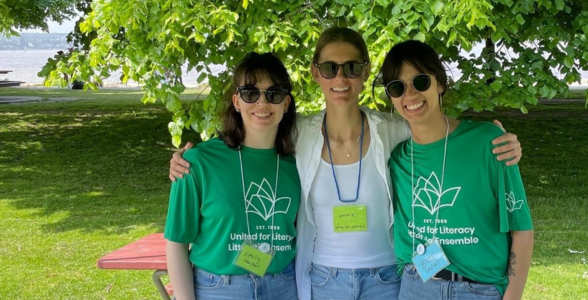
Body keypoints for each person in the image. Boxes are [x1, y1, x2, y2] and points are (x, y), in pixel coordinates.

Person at [168, 27, 524, 300]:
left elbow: (436, 128)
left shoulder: (396, 130)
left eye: (352, 67)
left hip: (390, 279)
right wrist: (185, 159)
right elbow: (251, 135)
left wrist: (499, 142)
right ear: (314, 73)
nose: (341, 78)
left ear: (366, 72)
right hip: (324, 280)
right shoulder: (298, 136)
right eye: (330, 67)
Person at [381, 40, 534, 300]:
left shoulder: (490, 143)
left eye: (420, 82)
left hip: (479, 290)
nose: (410, 95)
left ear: (439, 83)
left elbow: (522, 230)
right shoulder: (398, 159)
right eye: (398, 87)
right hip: (417, 287)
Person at [164, 52, 301, 300]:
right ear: (237, 102)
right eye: (250, 93)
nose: (262, 103)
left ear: (286, 103)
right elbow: (176, 243)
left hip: (284, 286)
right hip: (219, 289)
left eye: (274, 94)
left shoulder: (300, 162)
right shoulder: (197, 162)